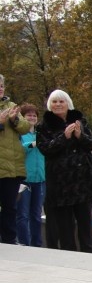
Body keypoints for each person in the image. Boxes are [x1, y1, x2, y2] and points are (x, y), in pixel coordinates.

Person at [35, 90, 92, 252]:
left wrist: (80, 136)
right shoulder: (44, 126)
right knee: (65, 228)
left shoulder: (79, 120)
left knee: (85, 223)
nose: (58, 105)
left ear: (68, 103)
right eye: (54, 102)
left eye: (61, 101)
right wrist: (63, 137)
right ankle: (69, 257)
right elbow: (45, 149)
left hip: (83, 181)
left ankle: (89, 254)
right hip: (60, 184)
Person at [0, 75, 29, 244]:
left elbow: (25, 128)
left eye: (2, 85)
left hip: (12, 166)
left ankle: (10, 239)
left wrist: (14, 119)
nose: (0, 88)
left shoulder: (11, 106)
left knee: (10, 206)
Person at [16, 103, 45, 247]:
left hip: (40, 179)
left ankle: (37, 245)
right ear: (23, 117)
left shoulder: (41, 133)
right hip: (24, 179)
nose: (32, 117)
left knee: (36, 215)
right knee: (23, 215)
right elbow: (20, 151)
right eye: (29, 115)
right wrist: (34, 144)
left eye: (34, 115)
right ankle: (24, 243)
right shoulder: (19, 134)